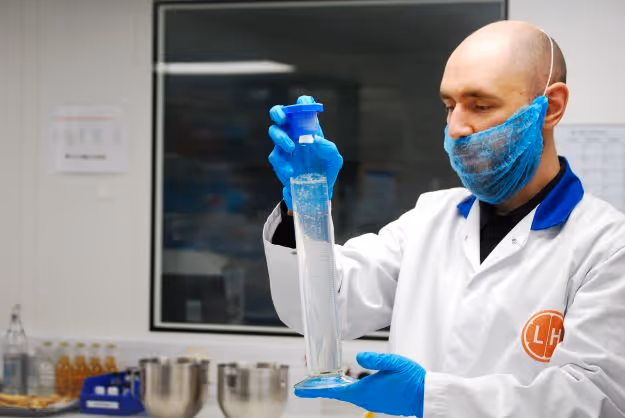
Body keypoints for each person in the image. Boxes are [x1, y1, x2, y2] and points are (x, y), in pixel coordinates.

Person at [263, 20, 625, 418]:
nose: (456, 128)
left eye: (480, 105)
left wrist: (430, 396)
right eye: (449, 106)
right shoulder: (429, 219)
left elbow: (595, 400)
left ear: (551, 107)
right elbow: (323, 307)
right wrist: (306, 206)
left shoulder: (607, 247)